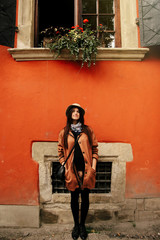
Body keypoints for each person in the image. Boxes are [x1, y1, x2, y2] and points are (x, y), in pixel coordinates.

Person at [58, 103, 98, 240]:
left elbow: (95, 150)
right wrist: (66, 166)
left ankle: (82, 225)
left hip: (87, 170)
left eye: (78, 111)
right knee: (74, 198)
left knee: (85, 197)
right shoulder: (64, 132)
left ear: (81, 114)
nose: (76, 113)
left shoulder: (88, 130)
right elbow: (60, 152)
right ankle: (76, 225)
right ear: (69, 114)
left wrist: (93, 167)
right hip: (72, 171)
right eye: (73, 111)